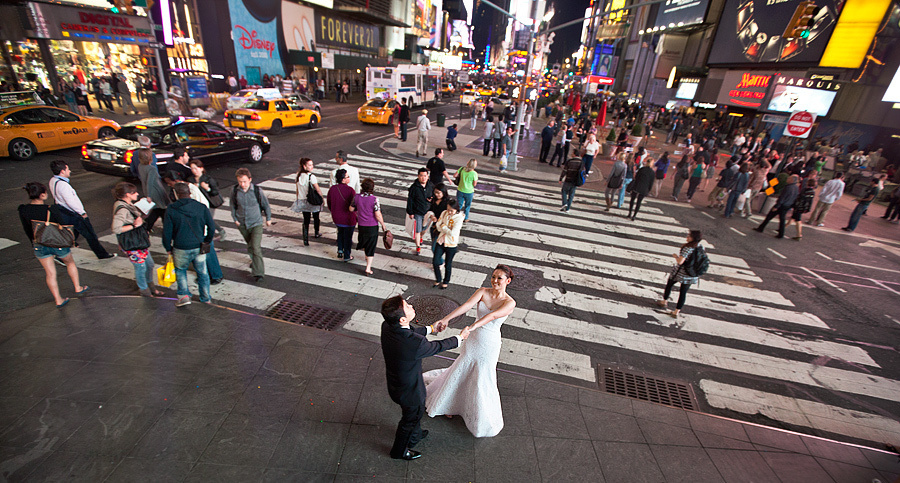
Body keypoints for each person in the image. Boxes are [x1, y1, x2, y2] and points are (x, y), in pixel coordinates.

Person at [425, 265, 517, 437]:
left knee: (482, 375)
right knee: (462, 367)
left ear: (508, 281)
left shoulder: (509, 302)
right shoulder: (483, 291)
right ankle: (449, 404)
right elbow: (466, 306)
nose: (495, 280)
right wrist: (445, 319)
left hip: (489, 343)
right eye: (493, 276)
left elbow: (492, 316)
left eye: (499, 278)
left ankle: (474, 412)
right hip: (473, 339)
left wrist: (472, 326)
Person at [380, 295, 469, 460]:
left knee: (412, 415)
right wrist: (460, 338)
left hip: (396, 384)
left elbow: (410, 331)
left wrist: (431, 328)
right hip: (410, 390)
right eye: (407, 306)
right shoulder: (413, 343)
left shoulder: (388, 326)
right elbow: (437, 346)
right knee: (410, 418)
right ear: (402, 319)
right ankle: (399, 451)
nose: (411, 305)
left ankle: (415, 435)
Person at [18, 182, 89, 308]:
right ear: (42, 195)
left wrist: (34, 243)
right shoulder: (51, 209)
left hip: (39, 244)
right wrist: (73, 241)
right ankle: (77, 287)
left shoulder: (23, 210)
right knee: (70, 263)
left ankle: (58, 299)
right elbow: (62, 227)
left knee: (50, 273)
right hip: (58, 244)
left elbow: (27, 229)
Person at [48, 160, 116, 260]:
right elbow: (70, 202)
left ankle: (59, 253)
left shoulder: (53, 181)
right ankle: (102, 254)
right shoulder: (63, 186)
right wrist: (82, 213)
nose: (70, 171)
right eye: (68, 169)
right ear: (62, 171)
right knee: (90, 235)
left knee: (72, 234)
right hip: (74, 214)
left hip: (64, 213)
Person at [162, 182, 215, 307]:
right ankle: (206, 298)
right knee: (202, 273)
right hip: (199, 246)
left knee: (181, 271)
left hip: (180, 246)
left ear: (176, 194)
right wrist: (207, 240)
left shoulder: (171, 209)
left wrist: (168, 247)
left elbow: (167, 232)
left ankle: (184, 296)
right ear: (189, 192)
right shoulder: (201, 207)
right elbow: (211, 227)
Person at [111, 182, 164, 297]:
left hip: (139, 241)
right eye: (134, 192)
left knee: (149, 264)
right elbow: (116, 228)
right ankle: (144, 290)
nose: (137, 194)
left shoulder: (127, 204)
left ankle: (150, 287)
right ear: (127, 194)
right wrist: (134, 225)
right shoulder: (122, 209)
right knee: (141, 267)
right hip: (133, 242)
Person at [231, 168, 272, 282]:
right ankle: (254, 261)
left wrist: (268, 218)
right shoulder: (235, 191)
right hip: (242, 223)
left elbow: (265, 205)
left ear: (250, 180)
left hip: (256, 223)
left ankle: (258, 273)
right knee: (250, 245)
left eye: (244, 181)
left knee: (255, 246)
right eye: (240, 181)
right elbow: (233, 205)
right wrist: (235, 219)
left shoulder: (257, 191)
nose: (242, 184)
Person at [656, 230, 704, 318]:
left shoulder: (688, 248)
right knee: (683, 292)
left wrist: (676, 257)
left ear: (693, 238)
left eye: (689, 236)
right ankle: (676, 312)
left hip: (681, 273)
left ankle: (664, 301)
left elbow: (680, 262)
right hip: (692, 275)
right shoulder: (700, 247)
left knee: (669, 284)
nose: (687, 237)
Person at [350, 178, 387, 275]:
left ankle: (366, 256)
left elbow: (351, 209)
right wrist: (383, 224)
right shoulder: (374, 199)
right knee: (371, 245)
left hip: (362, 225)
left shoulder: (357, 197)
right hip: (372, 225)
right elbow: (378, 214)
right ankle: (368, 267)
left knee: (365, 241)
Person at [431, 197, 465, 288]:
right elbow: (438, 226)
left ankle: (446, 281)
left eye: (451, 210)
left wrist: (443, 226)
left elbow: (453, 233)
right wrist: (445, 227)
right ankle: (438, 279)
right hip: (441, 241)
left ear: (456, 210)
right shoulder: (444, 213)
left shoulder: (459, 218)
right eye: (448, 209)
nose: (449, 212)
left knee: (448, 264)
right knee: (435, 261)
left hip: (451, 244)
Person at [189, 159, 226, 240]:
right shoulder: (190, 180)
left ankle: (215, 233)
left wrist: (207, 188)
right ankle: (218, 231)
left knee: (207, 219)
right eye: (192, 168)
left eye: (196, 168)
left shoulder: (208, 179)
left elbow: (215, 192)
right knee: (205, 219)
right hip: (198, 203)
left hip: (210, 203)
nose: (194, 171)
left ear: (201, 168)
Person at [327, 168, 357, 261]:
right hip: (348, 218)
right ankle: (347, 256)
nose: (349, 178)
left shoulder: (332, 189)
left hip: (336, 217)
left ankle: (340, 250)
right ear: (343, 179)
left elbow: (329, 203)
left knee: (340, 232)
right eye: (347, 177)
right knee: (348, 237)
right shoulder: (350, 190)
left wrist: (334, 211)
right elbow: (354, 204)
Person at [292, 157, 324, 245]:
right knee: (316, 217)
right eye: (310, 165)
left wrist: (298, 199)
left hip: (302, 201)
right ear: (304, 166)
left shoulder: (298, 176)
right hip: (312, 201)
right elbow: (317, 189)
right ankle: (316, 232)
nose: (312, 166)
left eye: (312, 164)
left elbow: (297, 189)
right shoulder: (311, 177)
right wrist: (322, 198)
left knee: (306, 220)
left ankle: (305, 239)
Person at [406, 168, 434, 254]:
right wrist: (410, 212)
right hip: (417, 212)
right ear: (418, 176)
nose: (423, 178)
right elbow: (410, 200)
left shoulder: (431, 186)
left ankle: (421, 236)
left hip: (428, 212)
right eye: (421, 176)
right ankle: (418, 246)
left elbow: (435, 195)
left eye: (425, 176)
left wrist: (432, 199)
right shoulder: (414, 188)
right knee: (417, 230)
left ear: (427, 176)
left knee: (424, 229)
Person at [627, 157, 656, 221]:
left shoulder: (642, 169)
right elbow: (651, 182)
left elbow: (636, 177)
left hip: (637, 185)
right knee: (639, 202)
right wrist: (648, 190)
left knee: (632, 200)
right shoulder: (652, 172)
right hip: (644, 188)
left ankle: (630, 213)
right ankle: (634, 215)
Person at [428, 184, 449, 251]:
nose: (436, 194)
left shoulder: (447, 202)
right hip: (434, 226)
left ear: (443, 192)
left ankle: (439, 261)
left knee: (435, 247)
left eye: (438, 193)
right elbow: (429, 210)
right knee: (435, 244)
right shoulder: (433, 200)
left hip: (442, 226)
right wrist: (432, 216)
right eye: (435, 192)